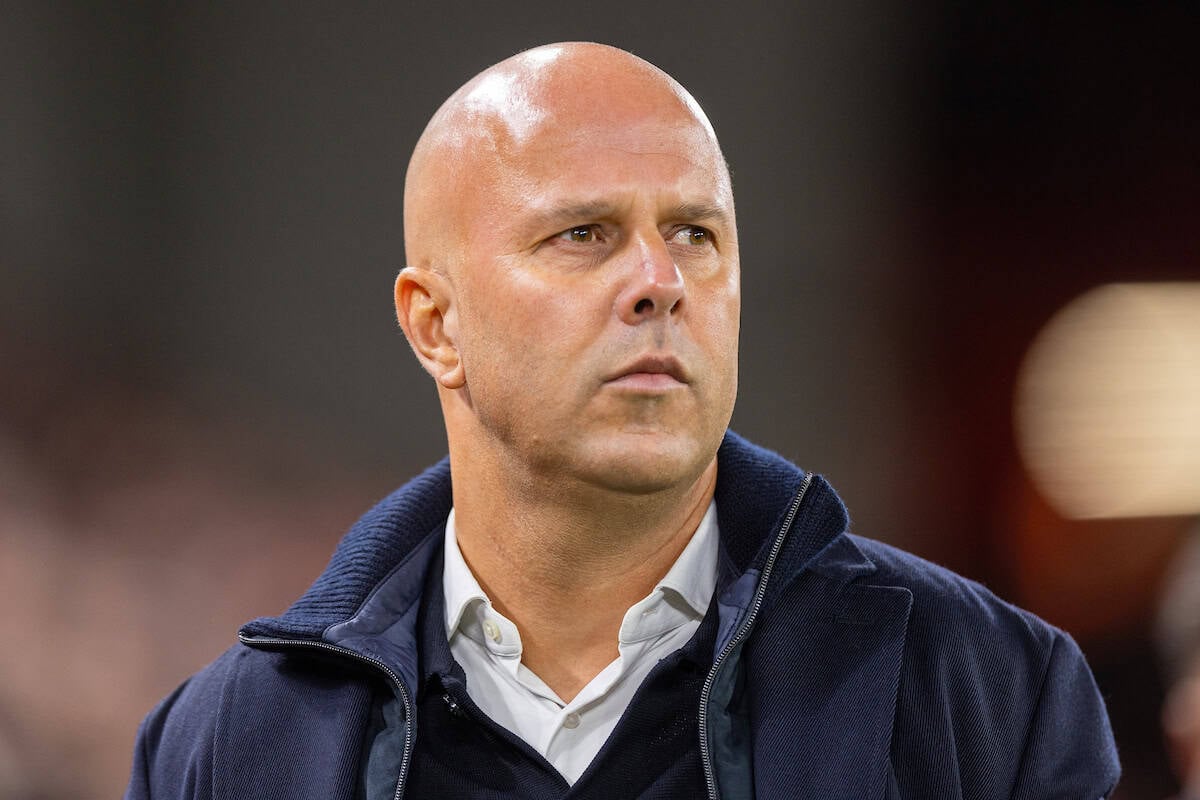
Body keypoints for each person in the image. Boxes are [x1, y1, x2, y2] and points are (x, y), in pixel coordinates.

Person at [125, 42, 1120, 799]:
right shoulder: (227, 743)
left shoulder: (991, 692)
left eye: (694, 233)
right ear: (436, 324)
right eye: (583, 234)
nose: (659, 282)